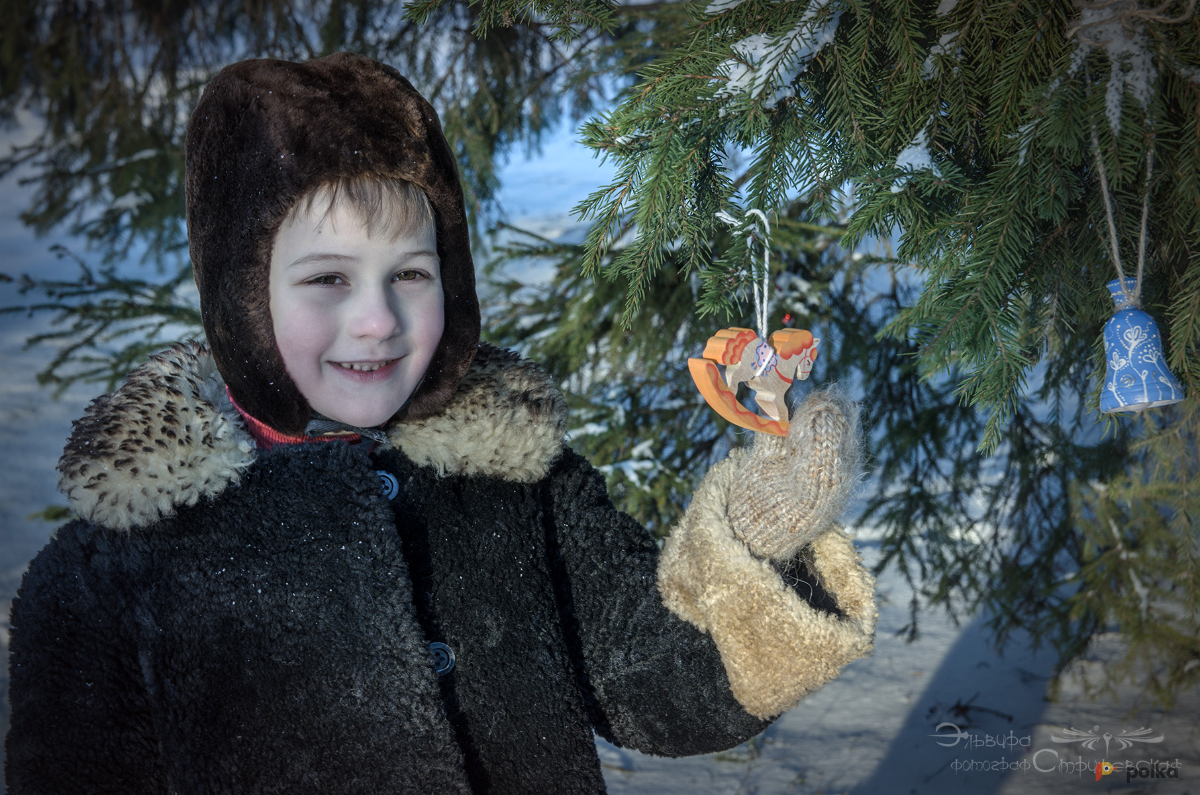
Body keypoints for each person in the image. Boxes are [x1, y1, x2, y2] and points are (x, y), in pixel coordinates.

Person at [4, 53, 877, 794]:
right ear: (241, 299)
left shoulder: (521, 484)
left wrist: (759, 536)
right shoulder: (113, 572)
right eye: (327, 280)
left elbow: (656, 687)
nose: (378, 319)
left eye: (411, 275)